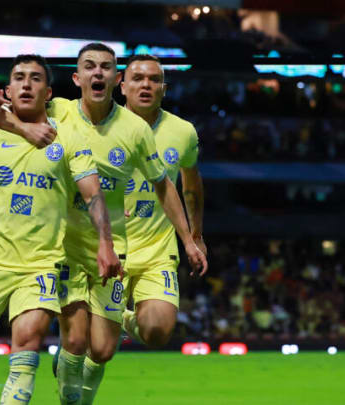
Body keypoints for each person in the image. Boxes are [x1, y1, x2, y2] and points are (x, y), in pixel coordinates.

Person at [0, 43, 207, 405]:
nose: (97, 74)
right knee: (77, 341)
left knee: (104, 349)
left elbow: (170, 184)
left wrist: (191, 238)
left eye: (105, 68)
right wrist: (8, 120)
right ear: (79, 77)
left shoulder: (143, 130)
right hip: (65, 245)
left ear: (115, 80)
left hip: (117, 246)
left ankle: (107, 340)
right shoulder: (58, 111)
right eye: (89, 67)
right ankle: (71, 398)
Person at [0, 54, 120, 404]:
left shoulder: (69, 138)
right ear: (8, 91)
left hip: (41, 264)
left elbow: (93, 194)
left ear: (48, 93)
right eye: (18, 78)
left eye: (35, 78)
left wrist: (106, 243)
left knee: (27, 348)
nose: (26, 83)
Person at [120, 54, 208, 348]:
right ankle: (106, 322)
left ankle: (120, 319)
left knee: (157, 331)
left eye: (154, 79)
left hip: (157, 249)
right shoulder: (100, 127)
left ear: (164, 89)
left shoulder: (183, 132)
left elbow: (191, 183)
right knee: (97, 347)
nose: (146, 85)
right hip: (105, 247)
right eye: (137, 79)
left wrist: (195, 235)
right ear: (122, 87)